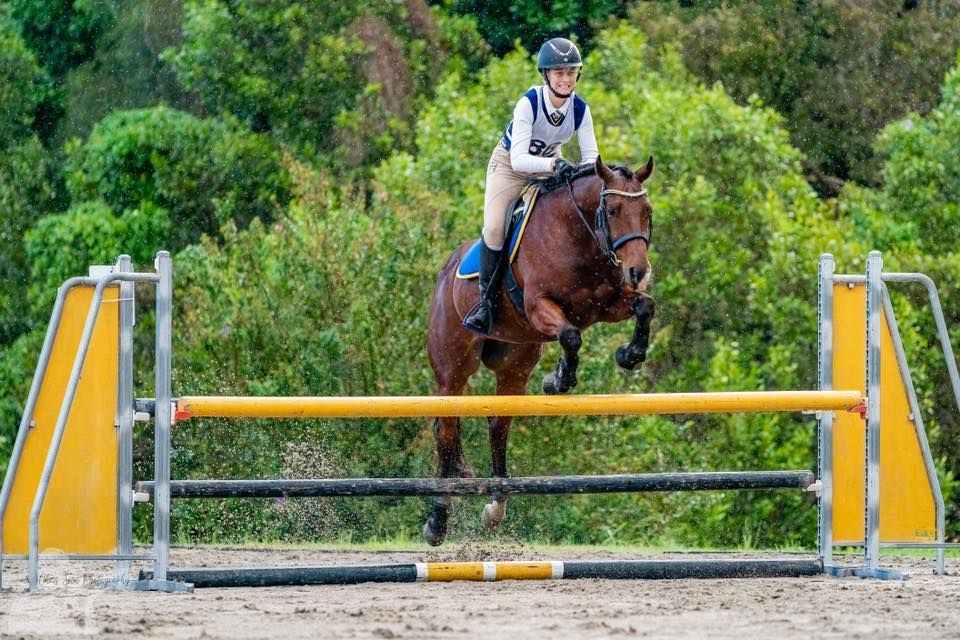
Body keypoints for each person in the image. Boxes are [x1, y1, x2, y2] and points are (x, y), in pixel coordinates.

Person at [463, 37, 600, 335]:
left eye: (570, 72)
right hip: (509, 167)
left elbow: (592, 160)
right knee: (495, 229)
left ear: (578, 74)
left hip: (551, 166)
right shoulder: (530, 103)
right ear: (546, 75)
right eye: (558, 72)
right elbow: (521, 159)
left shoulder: (580, 110)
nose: (565, 78)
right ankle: (485, 305)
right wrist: (554, 165)